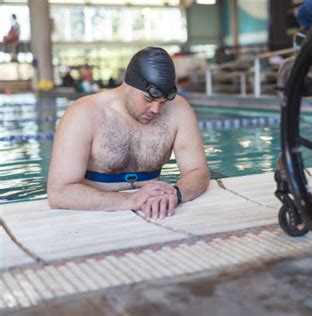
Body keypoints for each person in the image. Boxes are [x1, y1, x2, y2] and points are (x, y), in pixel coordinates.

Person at [47, 47, 210, 220]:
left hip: (156, 214)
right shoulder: (84, 113)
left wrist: (175, 193)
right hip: (95, 216)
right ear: (128, 85)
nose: (156, 109)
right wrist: (131, 199)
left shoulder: (179, 109)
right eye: (149, 99)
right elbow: (59, 192)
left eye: (162, 102)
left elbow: (198, 171)